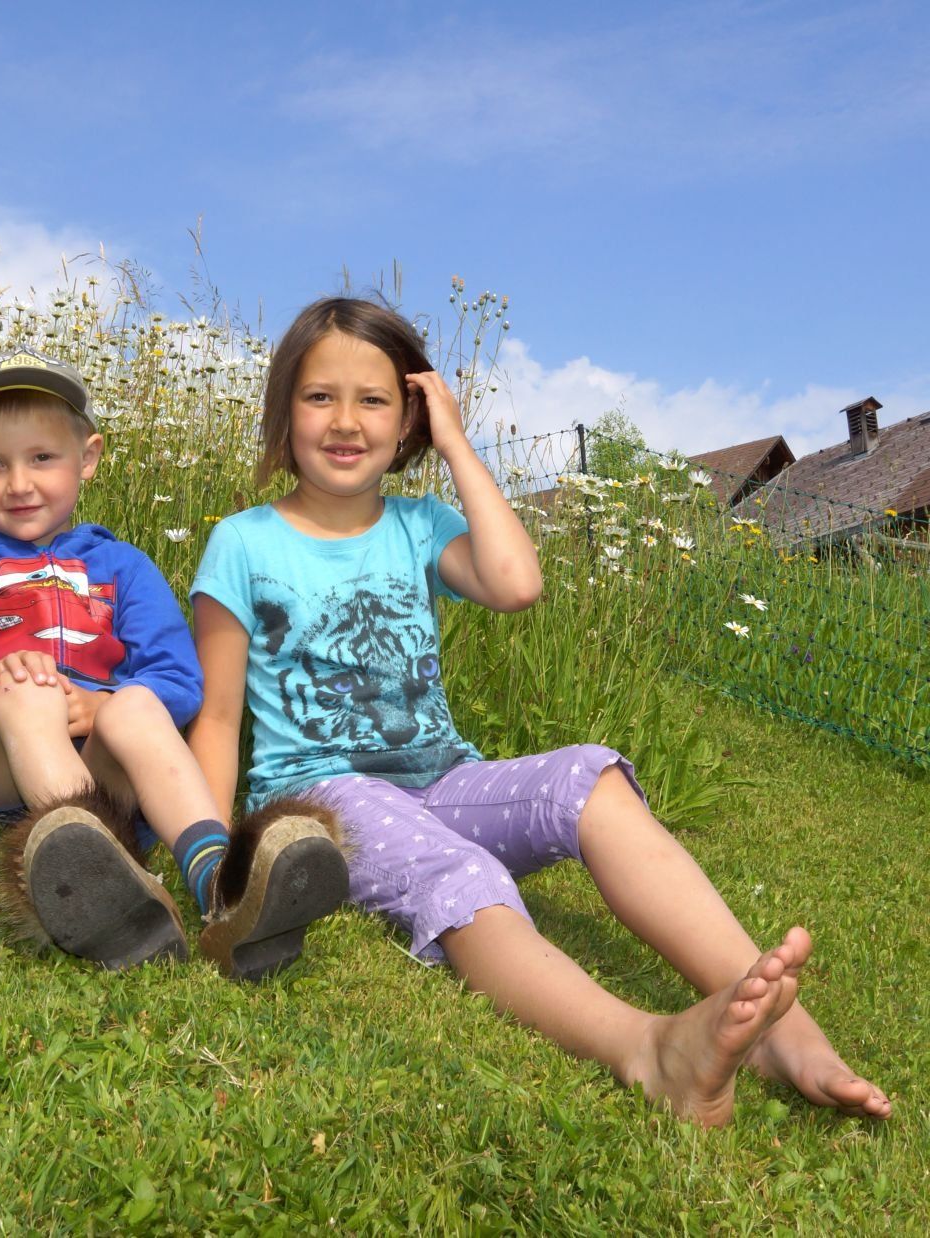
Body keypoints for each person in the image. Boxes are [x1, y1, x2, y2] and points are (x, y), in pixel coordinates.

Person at [186, 297, 891, 1124]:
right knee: (462, 873)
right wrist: (217, 864)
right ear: (284, 408)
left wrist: (455, 445)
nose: (345, 421)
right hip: (325, 797)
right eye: (319, 397)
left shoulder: (420, 526)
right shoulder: (244, 543)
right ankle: (646, 1049)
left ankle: (783, 1031)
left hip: (442, 779)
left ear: (409, 418)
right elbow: (219, 718)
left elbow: (518, 584)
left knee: (591, 778)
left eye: (373, 399)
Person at [0, 347, 346, 980]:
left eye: (42, 458)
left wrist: (104, 703)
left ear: (88, 459)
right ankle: (92, 869)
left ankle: (220, 882)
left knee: (137, 703)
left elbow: (178, 679)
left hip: (101, 764)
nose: (19, 483)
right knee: (27, 691)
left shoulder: (124, 566)